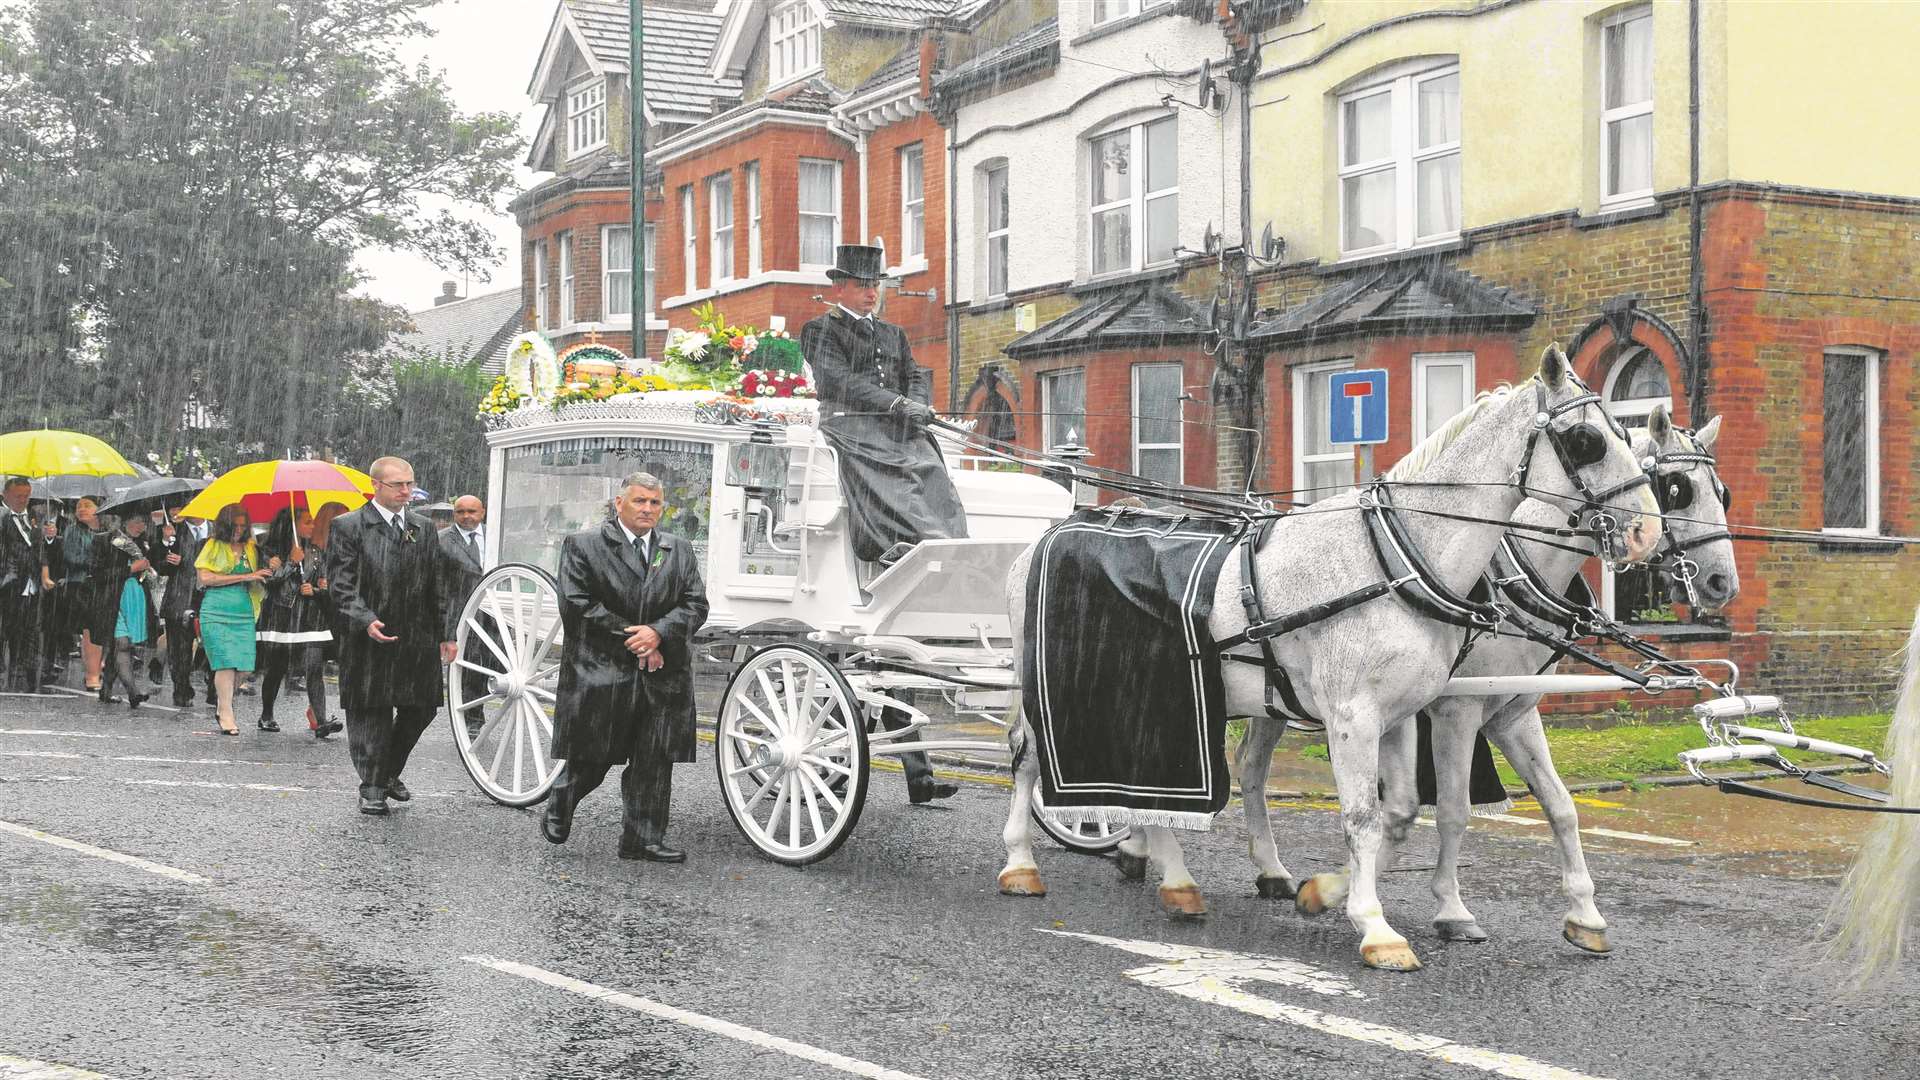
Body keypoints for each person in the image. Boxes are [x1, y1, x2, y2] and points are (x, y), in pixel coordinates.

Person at [542, 472, 709, 862]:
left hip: (663, 671)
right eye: (639, 501)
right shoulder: (583, 545)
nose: (648, 509)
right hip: (603, 668)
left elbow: (696, 604)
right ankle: (562, 798)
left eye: (654, 503)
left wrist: (659, 634)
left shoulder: (678, 549)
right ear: (619, 504)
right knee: (595, 756)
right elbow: (576, 604)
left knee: (654, 759)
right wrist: (635, 640)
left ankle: (642, 839)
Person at [800, 244, 969, 567]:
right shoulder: (820, 330)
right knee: (896, 474)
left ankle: (951, 542)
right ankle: (913, 542)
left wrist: (916, 407)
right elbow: (840, 381)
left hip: (898, 423)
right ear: (840, 288)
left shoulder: (894, 333)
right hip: (849, 423)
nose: (871, 293)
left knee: (930, 468)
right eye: (863, 285)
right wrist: (897, 404)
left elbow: (915, 375)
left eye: (874, 285)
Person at [326, 457, 456, 816]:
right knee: (372, 711)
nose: (405, 491)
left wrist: (447, 632)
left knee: (421, 709)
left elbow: (436, 583)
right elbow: (341, 585)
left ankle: (386, 771)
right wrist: (365, 619)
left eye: (409, 484)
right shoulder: (349, 526)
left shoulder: (423, 528)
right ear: (375, 487)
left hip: (416, 636)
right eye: (397, 485)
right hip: (369, 636)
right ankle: (372, 787)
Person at [255, 506, 337, 735]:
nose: (312, 526)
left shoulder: (316, 552)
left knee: (314, 667)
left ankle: (321, 721)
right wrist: (291, 562)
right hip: (282, 616)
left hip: (311, 619)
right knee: (276, 668)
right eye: (307, 522)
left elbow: (325, 584)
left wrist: (318, 589)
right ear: (292, 525)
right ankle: (266, 714)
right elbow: (269, 582)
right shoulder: (269, 550)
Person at [195, 504, 270, 735]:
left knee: (246, 667)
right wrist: (246, 575)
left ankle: (222, 701)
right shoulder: (213, 545)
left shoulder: (252, 547)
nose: (239, 530)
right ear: (224, 525)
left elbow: (262, 574)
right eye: (234, 525)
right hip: (216, 609)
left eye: (242, 525)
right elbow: (205, 578)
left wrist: (271, 567)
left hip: (244, 610)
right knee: (225, 662)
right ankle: (226, 712)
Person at [91, 512, 157, 709]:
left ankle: (106, 690)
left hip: (135, 599)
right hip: (112, 600)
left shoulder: (145, 544)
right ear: (124, 521)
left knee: (116, 647)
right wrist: (129, 569)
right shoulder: (105, 541)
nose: (140, 526)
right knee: (122, 643)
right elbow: (97, 575)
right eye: (136, 521)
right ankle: (133, 692)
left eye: (143, 523)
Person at [152, 505, 212, 708]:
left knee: (214, 644)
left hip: (212, 595)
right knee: (180, 649)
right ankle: (182, 689)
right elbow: (159, 566)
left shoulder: (219, 530)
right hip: (179, 596)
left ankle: (215, 688)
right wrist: (169, 557)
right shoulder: (173, 531)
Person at [437, 494, 489, 719]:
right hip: (461, 612)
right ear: (454, 514)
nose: (466, 516)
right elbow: (438, 584)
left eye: (472, 511)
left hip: (497, 612)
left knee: (492, 664)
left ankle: (481, 706)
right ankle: (472, 716)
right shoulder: (441, 540)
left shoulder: (497, 535)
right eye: (461, 512)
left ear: (483, 512)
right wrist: (445, 630)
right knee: (470, 665)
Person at [0, 476, 52, 692]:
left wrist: (49, 537)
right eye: (18, 496)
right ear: (5, 495)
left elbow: (40, 551)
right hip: (8, 582)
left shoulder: (33, 519)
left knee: (30, 629)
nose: (23, 500)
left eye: (26, 496)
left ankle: (26, 674)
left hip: (30, 583)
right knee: (5, 628)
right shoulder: (2, 517)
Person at [59, 497, 107, 691]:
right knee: (89, 630)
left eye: (87, 505)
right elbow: (71, 557)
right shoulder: (73, 530)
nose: (81, 509)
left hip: (102, 584)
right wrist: (98, 562)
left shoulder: (105, 531)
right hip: (80, 584)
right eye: (79, 506)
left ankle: (98, 666)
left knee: (101, 629)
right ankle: (91, 675)